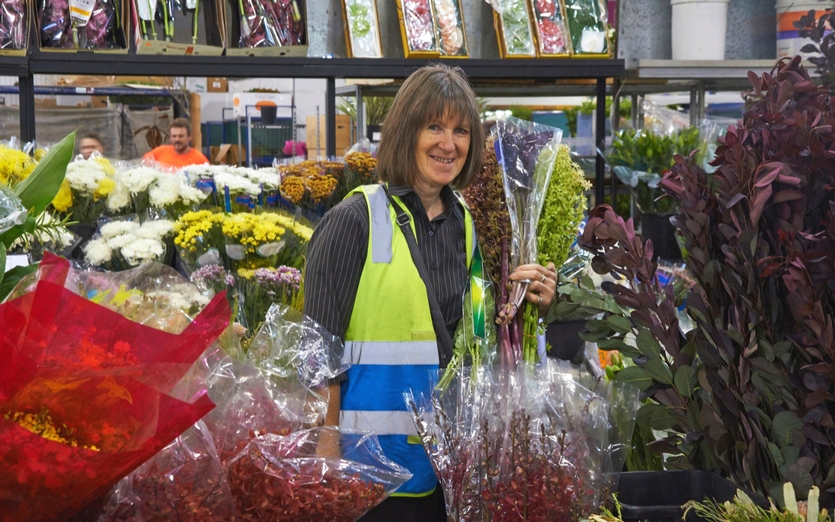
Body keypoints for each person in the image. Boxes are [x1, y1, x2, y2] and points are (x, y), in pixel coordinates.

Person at [304, 65, 558, 522]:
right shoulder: (354, 219)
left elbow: (474, 334)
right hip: (367, 475)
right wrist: (326, 451)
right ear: (406, 132)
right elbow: (317, 349)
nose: (449, 143)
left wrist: (529, 298)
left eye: (461, 130)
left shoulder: (466, 224)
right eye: (434, 126)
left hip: (444, 470)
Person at [143, 118, 209, 168]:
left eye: (181, 136)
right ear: (170, 137)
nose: (177, 139)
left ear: (189, 137)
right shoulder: (160, 151)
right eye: (174, 136)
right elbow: (143, 162)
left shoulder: (199, 160)